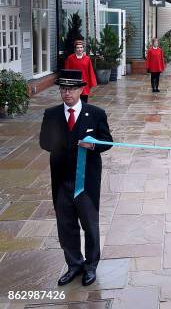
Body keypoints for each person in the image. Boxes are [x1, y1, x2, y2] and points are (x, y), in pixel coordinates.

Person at [39, 69, 113, 286]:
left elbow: (107, 141)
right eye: (63, 88)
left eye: (71, 89)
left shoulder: (96, 113)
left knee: (90, 225)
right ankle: (74, 264)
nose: (67, 93)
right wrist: (60, 142)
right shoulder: (51, 114)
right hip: (62, 181)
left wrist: (93, 145)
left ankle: (91, 266)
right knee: (66, 225)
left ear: (81, 89)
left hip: (86, 182)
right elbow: (44, 143)